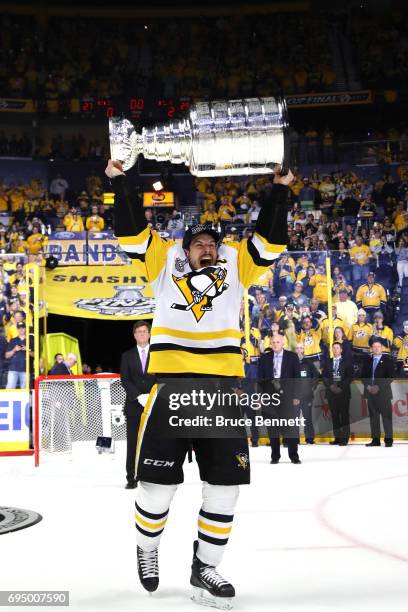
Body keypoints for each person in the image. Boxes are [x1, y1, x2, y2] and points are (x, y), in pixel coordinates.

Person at [107, 158, 291, 606]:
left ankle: (205, 567)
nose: (207, 248)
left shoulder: (236, 268)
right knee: (157, 488)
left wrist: (281, 191)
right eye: (199, 244)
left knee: (225, 487)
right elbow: (131, 233)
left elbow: (271, 240)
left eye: (212, 244)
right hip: (170, 388)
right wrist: (121, 183)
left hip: (222, 390)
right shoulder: (163, 264)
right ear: (185, 249)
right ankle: (147, 549)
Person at [120, 321, 155, 489]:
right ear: (134, 335)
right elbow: (125, 379)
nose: (141, 334)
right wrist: (138, 396)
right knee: (133, 443)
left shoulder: (157, 355)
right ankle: (131, 477)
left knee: (154, 441)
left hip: (154, 405)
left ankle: (152, 475)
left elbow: (162, 377)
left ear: (149, 334)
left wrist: (151, 396)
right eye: (138, 332)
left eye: (144, 331)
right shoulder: (127, 356)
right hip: (134, 405)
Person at [258, 334, 301, 464]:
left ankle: (294, 456)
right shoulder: (264, 358)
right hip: (270, 398)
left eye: (278, 342)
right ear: (270, 344)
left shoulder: (292, 357)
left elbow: (297, 379)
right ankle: (275, 456)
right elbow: (260, 380)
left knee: (291, 428)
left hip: (288, 398)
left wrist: (296, 396)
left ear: (283, 344)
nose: (275, 344)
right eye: (273, 342)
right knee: (273, 428)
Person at [361, 340, 394, 447]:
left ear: (382, 348)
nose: (376, 349)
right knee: (373, 418)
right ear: (371, 349)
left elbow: (390, 377)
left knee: (386, 417)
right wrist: (368, 386)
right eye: (374, 347)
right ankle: (375, 440)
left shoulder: (388, 360)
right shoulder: (367, 361)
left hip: (383, 393)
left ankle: (388, 440)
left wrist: (378, 387)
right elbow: (363, 376)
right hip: (370, 393)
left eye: (378, 347)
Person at [322, 342, 353, 446]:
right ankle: (337, 438)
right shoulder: (327, 362)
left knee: (344, 416)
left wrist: (340, 388)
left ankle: (344, 438)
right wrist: (331, 386)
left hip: (343, 393)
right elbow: (324, 377)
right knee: (334, 416)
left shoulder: (347, 362)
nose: (335, 350)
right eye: (333, 348)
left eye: (337, 348)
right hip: (331, 393)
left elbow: (350, 377)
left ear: (341, 350)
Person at [295, 343, 319, 444]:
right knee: (294, 420)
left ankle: (309, 438)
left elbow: (316, 376)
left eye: (301, 348)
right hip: (294, 397)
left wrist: (312, 388)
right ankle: (293, 440)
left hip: (307, 396)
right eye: (297, 348)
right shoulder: (291, 362)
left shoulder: (309, 362)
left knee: (307, 418)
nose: (299, 350)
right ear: (295, 350)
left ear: (303, 350)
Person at [5, 322, 34, 389]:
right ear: (17, 329)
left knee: (25, 392)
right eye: (19, 328)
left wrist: (27, 350)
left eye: (22, 328)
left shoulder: (31, 340)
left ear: (26, 328)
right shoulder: (13, 340)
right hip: (13, 369)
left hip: (26, 370)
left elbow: (36, 355)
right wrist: (14, 350)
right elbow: (6, 356)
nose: (21, 330)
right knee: (9, 391)